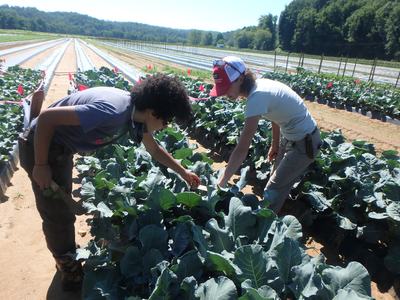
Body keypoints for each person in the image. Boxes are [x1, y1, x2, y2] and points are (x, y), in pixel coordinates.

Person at [19, 73, 200, 291]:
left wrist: (183, 171)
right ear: (153, 112)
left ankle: (65, 250)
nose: (165, 126)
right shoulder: (112, 112)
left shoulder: (136, 114)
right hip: (38, 146)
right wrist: (40, 165)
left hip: (60, 151)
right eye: (166, 121)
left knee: (62, 210)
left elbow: (154, 149)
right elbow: (47, 118)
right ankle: (68, 268)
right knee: (56, 215)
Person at [210, 56, 321, 214]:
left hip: (306, 144)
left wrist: (222, 182)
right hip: (290, 138)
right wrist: (275, 144)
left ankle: (265, 229)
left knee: (273, 189)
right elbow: (275, 115)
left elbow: (242, 149)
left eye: (227, 86)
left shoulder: (257, 96)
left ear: (241, 79)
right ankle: (273, 215)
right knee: (277, 182)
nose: (224, 93)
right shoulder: (259, 87)